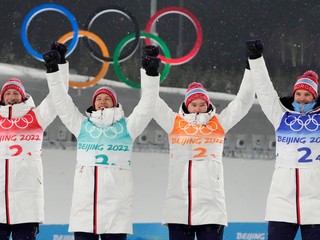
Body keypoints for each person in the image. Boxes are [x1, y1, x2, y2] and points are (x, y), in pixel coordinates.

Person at [43, 45, 160, 240]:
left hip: (116, 209)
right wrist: (55, 69)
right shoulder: (82, 126)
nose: (103, 101)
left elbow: (147, 105)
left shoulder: (127, 128)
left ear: (115, 104)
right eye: (99, 99)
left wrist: (150, 73)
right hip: (85, 209)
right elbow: (61, 102)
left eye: (107, 99)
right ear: (93, 103)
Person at [153, 54, 255, 240]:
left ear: (208, 105)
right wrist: (150, 73)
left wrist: (251, 68)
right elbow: (151, 103)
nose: (198, 108)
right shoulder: (173, 123)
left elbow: (243, 103)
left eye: (202, 104)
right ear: (186, 104)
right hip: (178, 208)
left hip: (211, 209)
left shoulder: (218, 123)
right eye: (194, 104)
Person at [246, 39, 320, 240]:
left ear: (314, 97)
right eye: (299, 94)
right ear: (293, 94)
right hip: (282, 201)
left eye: (307, 94)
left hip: (317, 202)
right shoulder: (281, 116)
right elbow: (264, 91)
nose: (302, 98)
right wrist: (256, 59)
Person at [0, 42, 69, 240]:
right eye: (8, 93)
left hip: (27, 203)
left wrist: (59, 66)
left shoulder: (36, 117)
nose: (12, 97)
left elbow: (59, 97)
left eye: (15, 93)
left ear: (22, 96)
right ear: (2, 97)